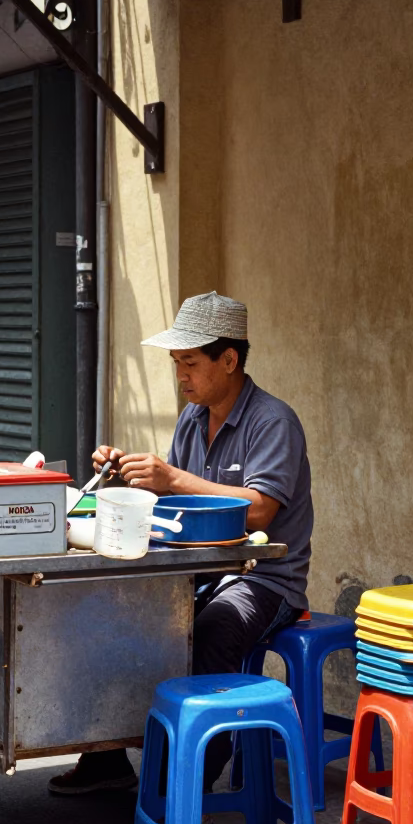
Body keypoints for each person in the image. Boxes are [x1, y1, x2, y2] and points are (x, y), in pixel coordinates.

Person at [48, 291, 314, 796]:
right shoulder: (193, 417)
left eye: (190, 363)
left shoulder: (273, 422)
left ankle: (188, 785)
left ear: (229, 359)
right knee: (118, 612)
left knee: (211, 632)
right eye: (176, 364)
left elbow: (258, 510)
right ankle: (107, 759)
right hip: (200, 568)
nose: (181, 376)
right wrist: (124, 469)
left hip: (263, 579)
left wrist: (170, 477)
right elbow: (170, 496)